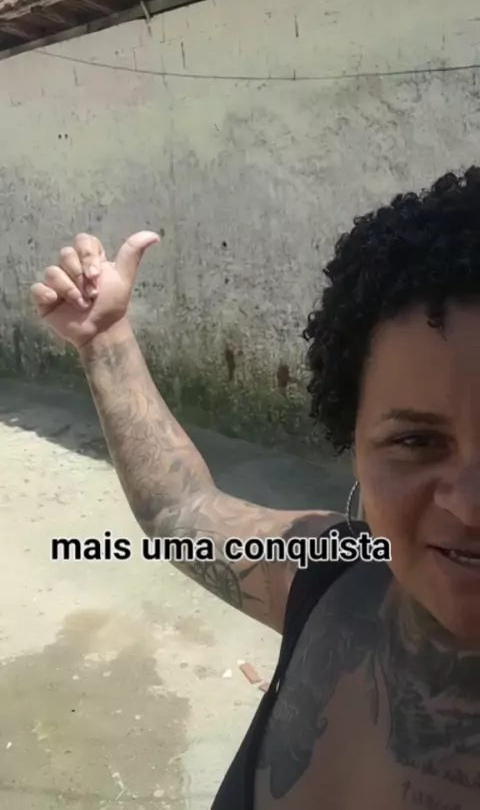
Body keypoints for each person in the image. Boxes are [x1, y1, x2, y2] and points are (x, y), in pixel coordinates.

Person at [31, 167, 480, 810]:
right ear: (353, 441)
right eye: (416, 441)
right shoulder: (332, 573)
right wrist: (104, 340)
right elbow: (181, 508)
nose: (469, 505)